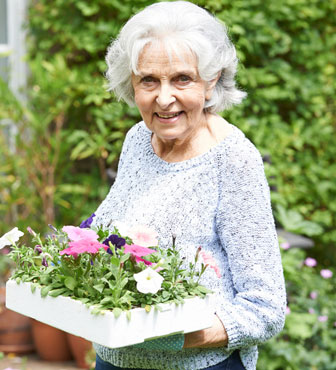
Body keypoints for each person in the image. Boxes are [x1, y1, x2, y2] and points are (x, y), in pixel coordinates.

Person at [92, 2, 286, 369]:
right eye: (148, 80)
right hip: (112, 360)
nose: (164, 98)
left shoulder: (233, 160)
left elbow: (266, 308)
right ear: (130, 83)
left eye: (182, 78)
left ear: (211, 81)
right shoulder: (138, 139)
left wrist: (176, 334)